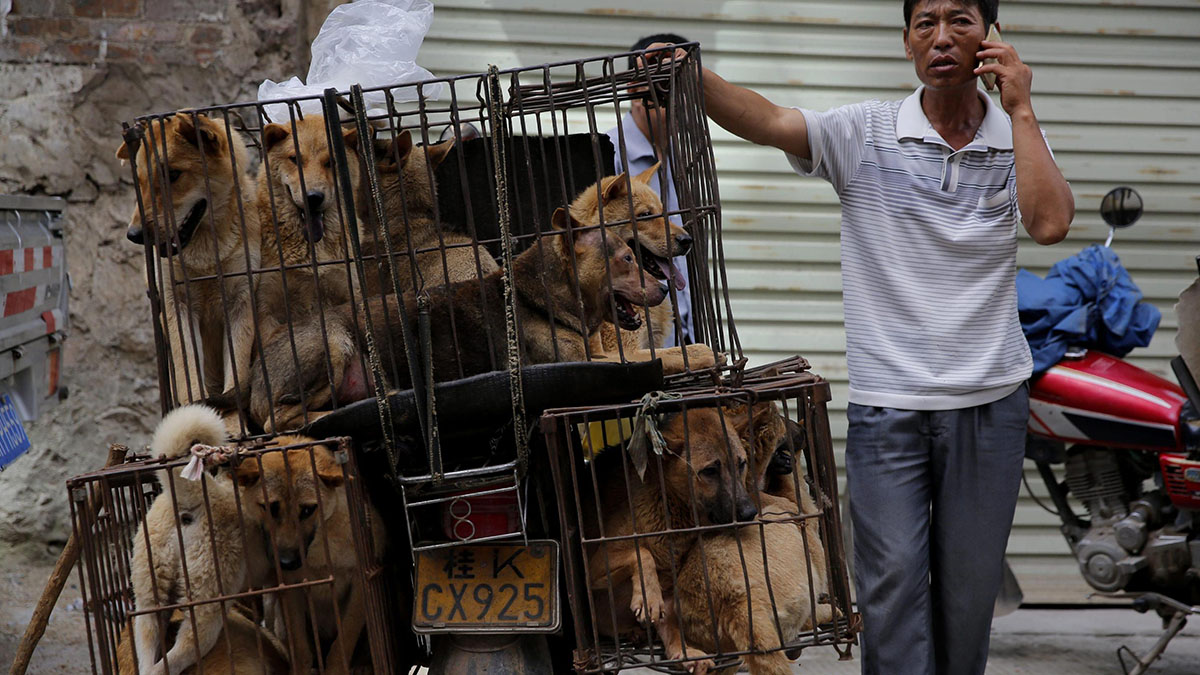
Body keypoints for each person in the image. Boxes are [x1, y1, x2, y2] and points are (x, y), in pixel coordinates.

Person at [650, 1, 1074, 673]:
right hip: (890, 407)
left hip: (990, 404)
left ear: (990, 37)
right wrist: (689, 74)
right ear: (906, 41)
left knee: (967, 595)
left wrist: (1021, 109)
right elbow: (768, 121)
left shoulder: (1012, 139)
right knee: (892, 586)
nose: (942, 37)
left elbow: (1050, 223)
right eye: (925, 21)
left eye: (960, 20)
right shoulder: (865, 132)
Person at [606, 33, 694, 347]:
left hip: (685, 338)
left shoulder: (690, 160)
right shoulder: (607, 154)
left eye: (685, 88)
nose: (676, 99)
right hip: (635, 342)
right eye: (664, 87)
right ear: (633, 88)